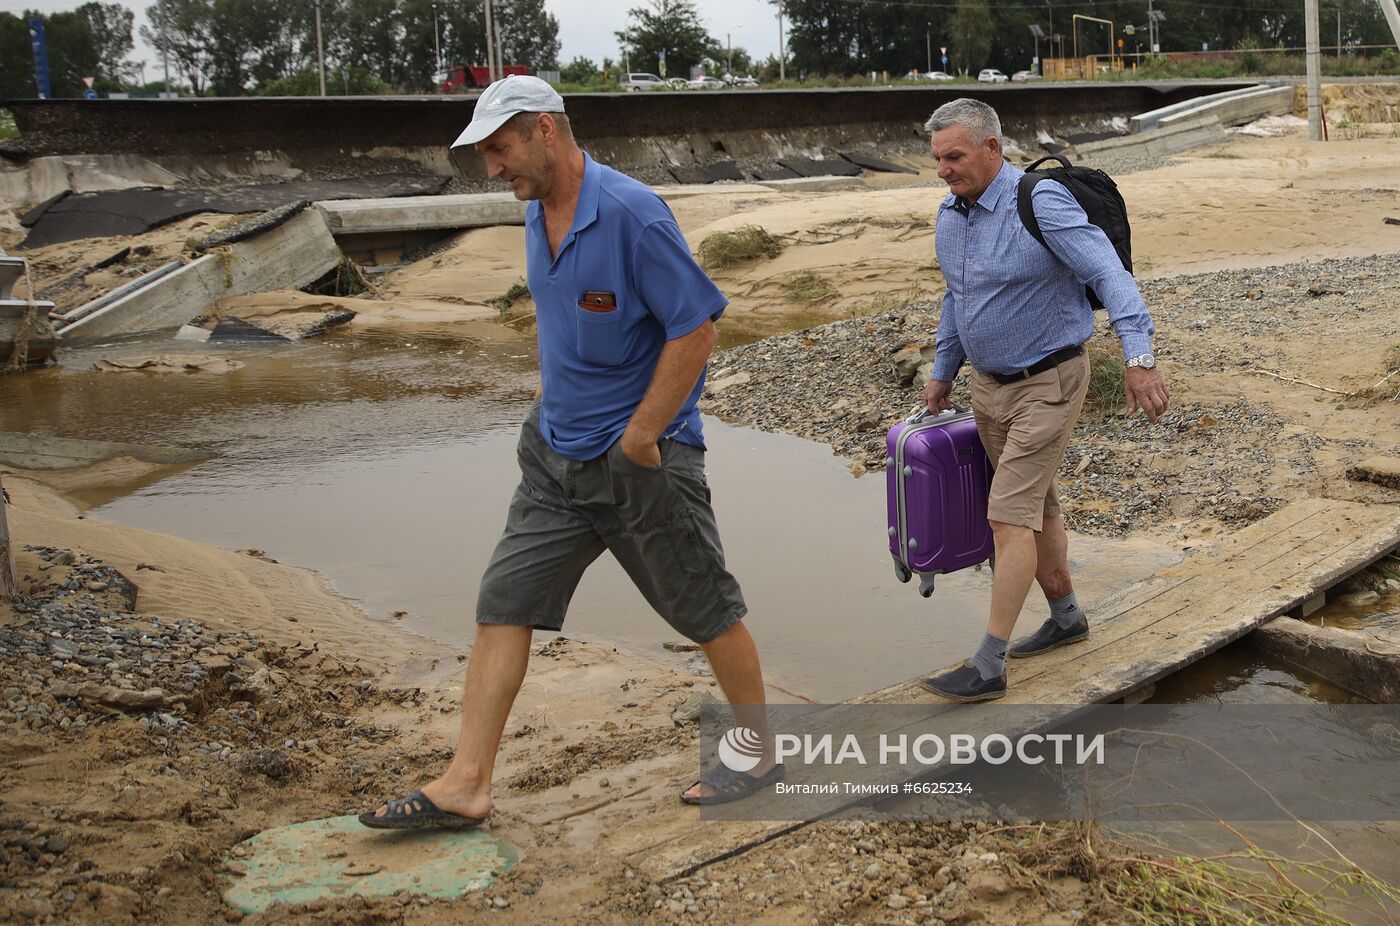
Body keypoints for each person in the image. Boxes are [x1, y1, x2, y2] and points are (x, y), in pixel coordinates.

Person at [359, 76, 781, 829]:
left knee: (705, 609)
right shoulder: (535, 211)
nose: (493, 169)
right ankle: (466, 783)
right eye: (485, 153)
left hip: (640, 462)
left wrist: (643, 437)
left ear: (546, 130)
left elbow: (697, 329)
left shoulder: (630, 214)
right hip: (553, 457)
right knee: (504, 603)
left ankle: (760, 752)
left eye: (500, 148)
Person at [919, 98, 1169, 703]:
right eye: (937, 159)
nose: (944, 169)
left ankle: (988, 665)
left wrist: (1138, 360)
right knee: (1039, 509)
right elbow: (959, 297)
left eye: (954, 156)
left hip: (1050, 382)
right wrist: (942, 370)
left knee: (1007, 517)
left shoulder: (1041, 202)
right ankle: (1066, 617)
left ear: (991, 149)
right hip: (989, 388)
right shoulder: (951, 217)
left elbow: (1110, 274)